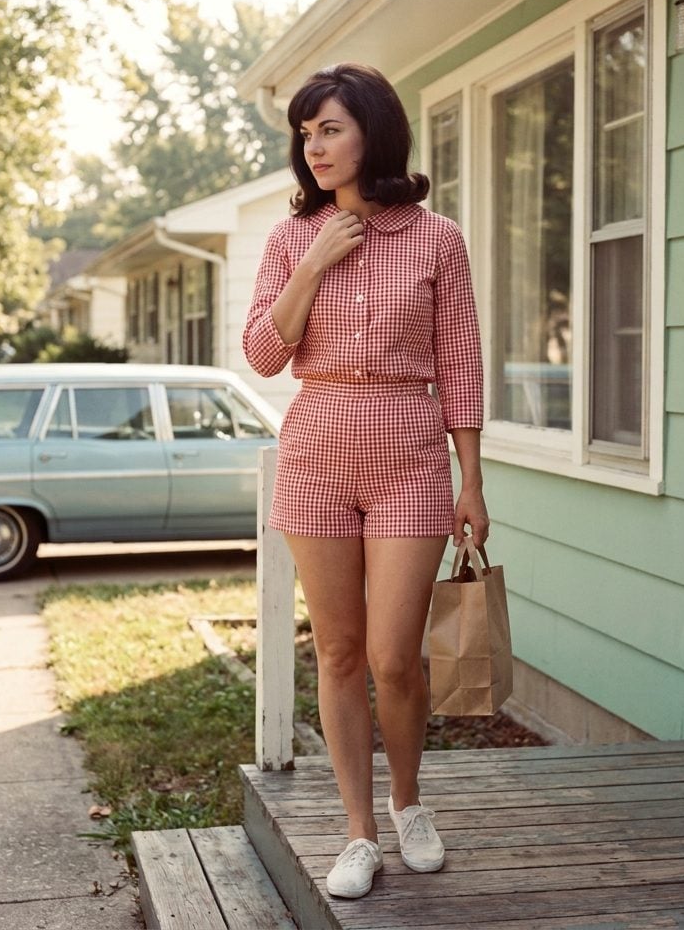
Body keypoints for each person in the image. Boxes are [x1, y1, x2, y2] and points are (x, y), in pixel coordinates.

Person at [243, 62, 488, 900]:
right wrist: (314, 261)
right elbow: (265, 355)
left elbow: (460, 363)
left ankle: (410, 803)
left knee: (394, 657)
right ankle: (358, 832)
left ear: (372, 132)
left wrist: (473, 480)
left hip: (411, 451)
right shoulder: (288, 239)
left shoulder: (437, 238)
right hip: (316, 446)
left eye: (330, 128)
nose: (313, 147)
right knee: (341, 651)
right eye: (305, 133)